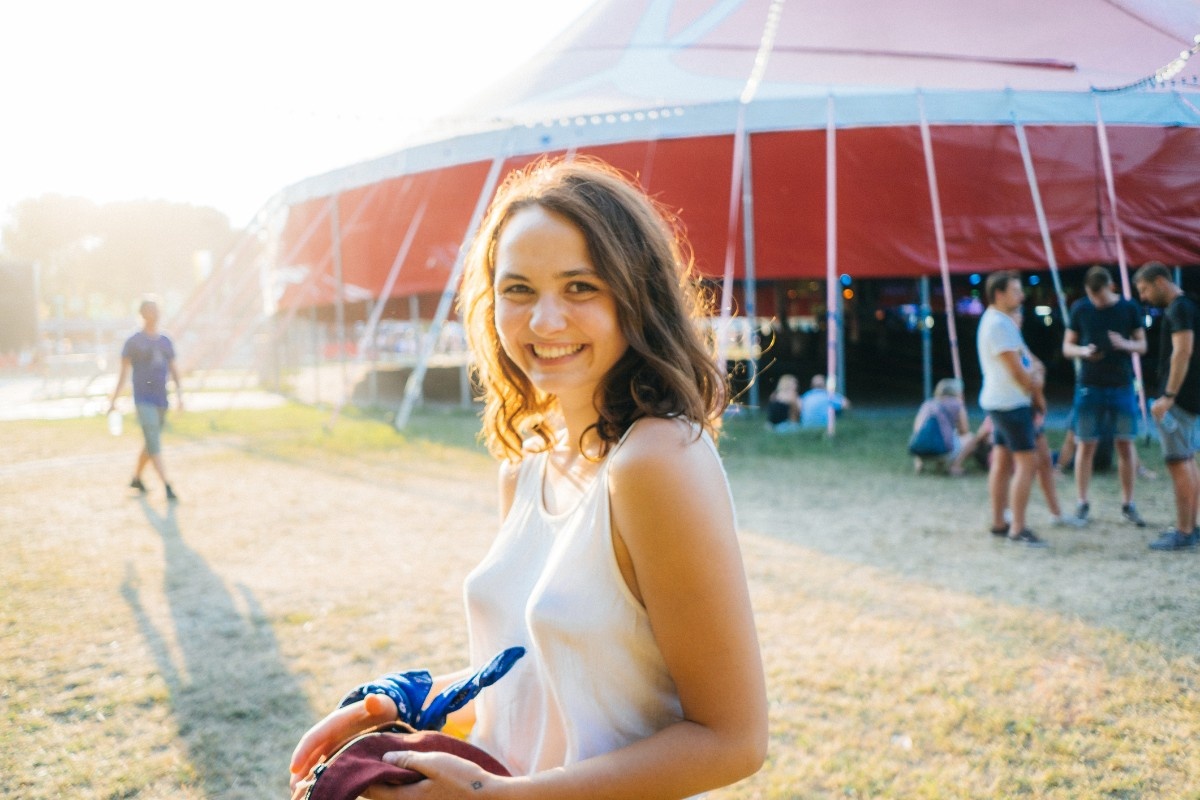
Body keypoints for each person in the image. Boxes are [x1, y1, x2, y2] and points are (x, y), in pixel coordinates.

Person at [289, 158, 768, 797]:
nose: (544, 321)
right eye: (518, 290)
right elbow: (540, 679)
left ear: (637, 297)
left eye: (580, 287)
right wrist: (402, 706)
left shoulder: (657, 461)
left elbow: (732, 741)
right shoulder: (526, 466)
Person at [1061, 265, 1148, 527]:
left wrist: (1124, 345)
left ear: (1110, 288)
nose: (1096, 303)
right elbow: (1067, 347)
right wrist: (1083, 352)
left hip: (1121, 384)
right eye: (1091, 297)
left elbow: (1143, 345)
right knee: (1085, 443)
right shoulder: (1080, 308)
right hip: (1089, 384)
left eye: (1099, 297)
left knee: (1125, 444)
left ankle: (1128, 503)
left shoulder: (1129, 308)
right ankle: (1082, 502)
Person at [977, 270, 1047, 547]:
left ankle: (999, 522)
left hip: (1000, 402)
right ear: (999, 294)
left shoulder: (997, 322)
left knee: (1003, 461)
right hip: (1011, 403)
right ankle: (1018, 528)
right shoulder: (1000, 325)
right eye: (1016, 291)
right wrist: (1037, 389)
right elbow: (1021, 372)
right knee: (1026, 464)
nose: (1021, 296)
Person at [1134, 262, 1200, 550]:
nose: (1144, 297)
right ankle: (1191, 527)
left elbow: (1182, 351)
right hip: (1190, 396)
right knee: (1188, 462)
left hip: (1180, 398)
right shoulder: (1190, 304)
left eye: (1145, 289)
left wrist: (1169, 395)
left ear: (1160, 281)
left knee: (1179, 463)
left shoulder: (1179, 309)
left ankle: (1184, 531)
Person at [108, 297, 182, 501]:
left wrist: (179, 395)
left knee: (151, 442)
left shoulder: (165, 341)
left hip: (161, 400)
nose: (155, 315)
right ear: (142, 314)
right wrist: (113, 400)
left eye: (156, 310)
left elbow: (174, 370)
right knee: (153, 440)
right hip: (143, 399)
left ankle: (136, 479)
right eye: (150, 311)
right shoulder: (133, 342)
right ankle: (167, 485)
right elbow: (122, 374)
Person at [910, 378, 987, 475]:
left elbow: (917, 428)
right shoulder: (957, 404)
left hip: (918, 450)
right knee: (971, 438)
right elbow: (964, 430)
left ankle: (920, 464)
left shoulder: (927, 404)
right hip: (942, 450)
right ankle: (955, 466)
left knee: (925, 436)